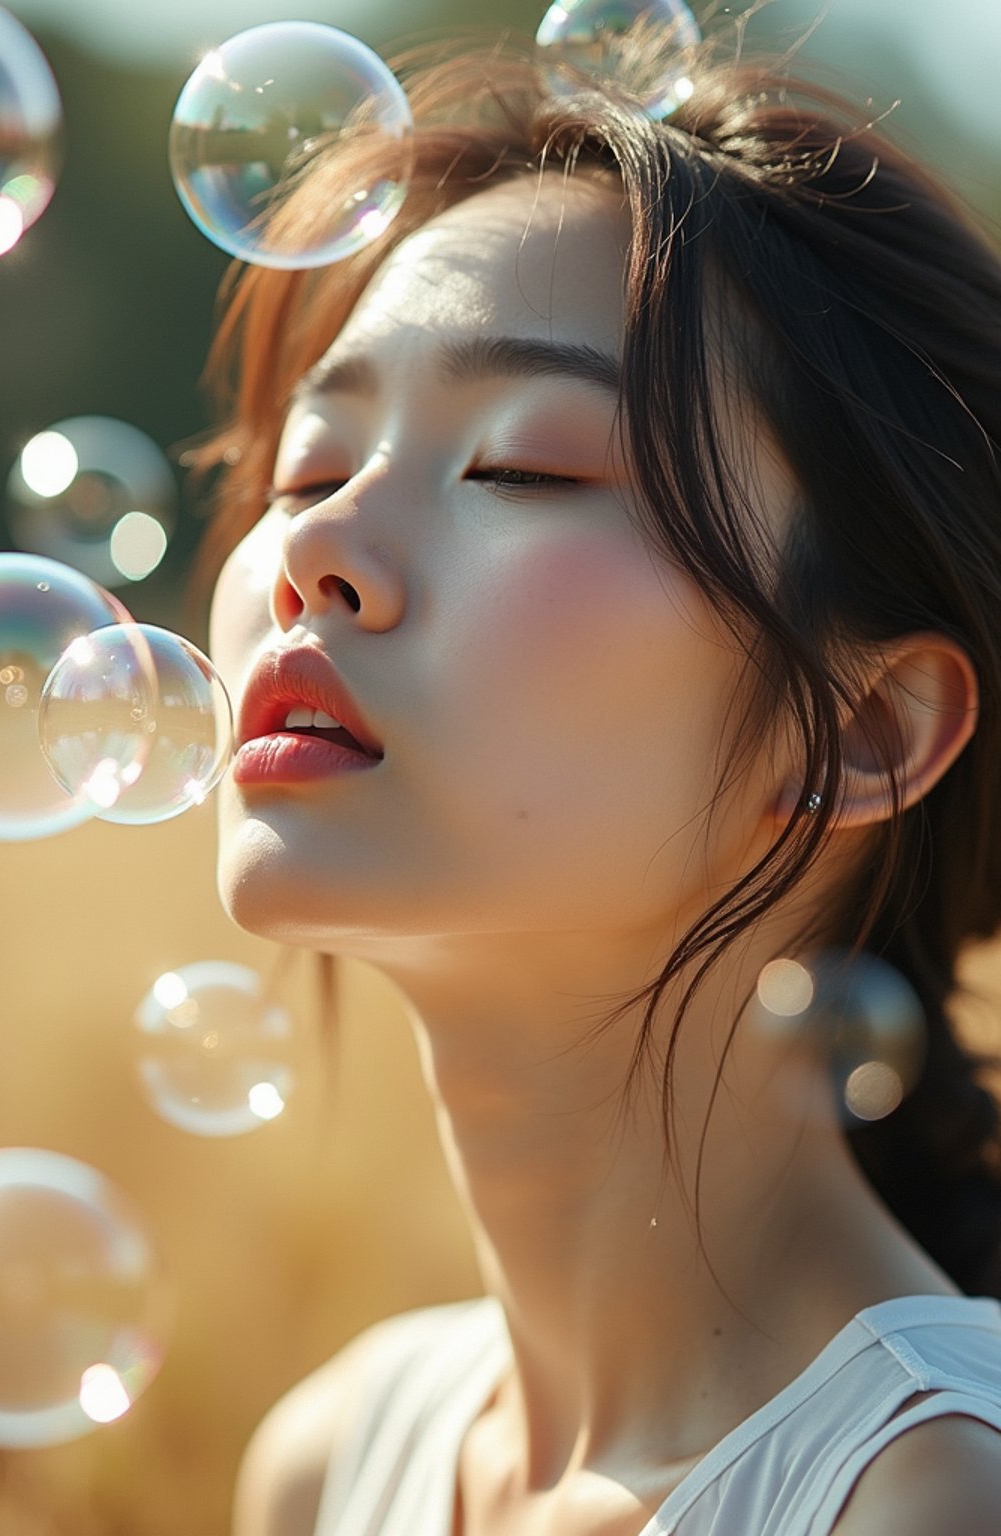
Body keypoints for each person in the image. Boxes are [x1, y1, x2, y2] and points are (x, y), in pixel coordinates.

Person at [202, 15, 1001, 1535]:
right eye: (311, 468)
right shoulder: (330, 1461)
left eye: (522, 467)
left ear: (867, 731)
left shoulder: (934, 1493)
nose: (311, 551)